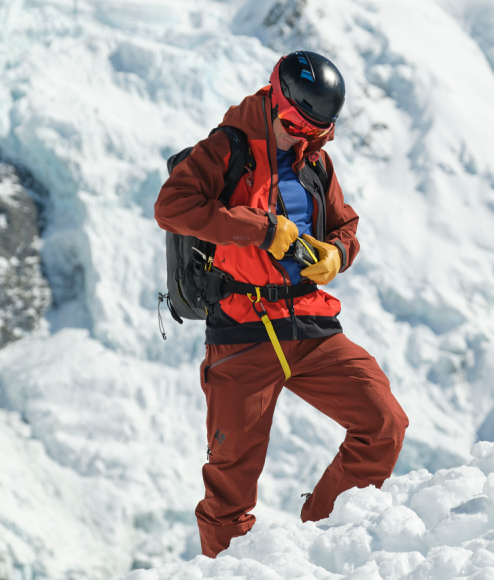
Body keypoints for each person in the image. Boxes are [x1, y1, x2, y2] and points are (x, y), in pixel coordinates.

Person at [154, 51, 409, 558]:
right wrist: (263, 229)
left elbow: (345, 226)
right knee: (230, 490)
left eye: (317, 130)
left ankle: (321, 541)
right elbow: (172, 206)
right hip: (242, 332)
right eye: (295, 124)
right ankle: (230, 571)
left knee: (384, 425)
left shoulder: (314, 159)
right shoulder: (226, 148)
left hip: (311, 324)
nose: (302, 136)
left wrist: (336, 255)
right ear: (276, 97)